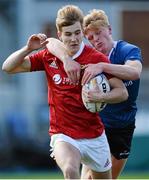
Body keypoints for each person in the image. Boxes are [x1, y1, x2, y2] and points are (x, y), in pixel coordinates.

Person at [2, 5, 128, 179]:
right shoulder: (49, 57)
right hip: (63, 135)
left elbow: (122, 92)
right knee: (70, 170)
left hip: (94, 136)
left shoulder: (96, 59)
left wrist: (101, 96)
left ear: (82, 32)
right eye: (68, 34)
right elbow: (8, 67)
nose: (74, 39)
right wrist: (28, 48)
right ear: (60, 35)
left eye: (77, 33)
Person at [46, 9, 142, 179]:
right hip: (96, 125)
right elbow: (51, 42)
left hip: (122, 126)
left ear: (109, 30)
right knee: (86, 177)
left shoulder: (126, 50)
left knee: (110, 177)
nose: (95, 40)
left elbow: (134, 72)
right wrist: (66, 59)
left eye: (98, 33)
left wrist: (102, 66)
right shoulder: (88, 54)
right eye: (89, 37)